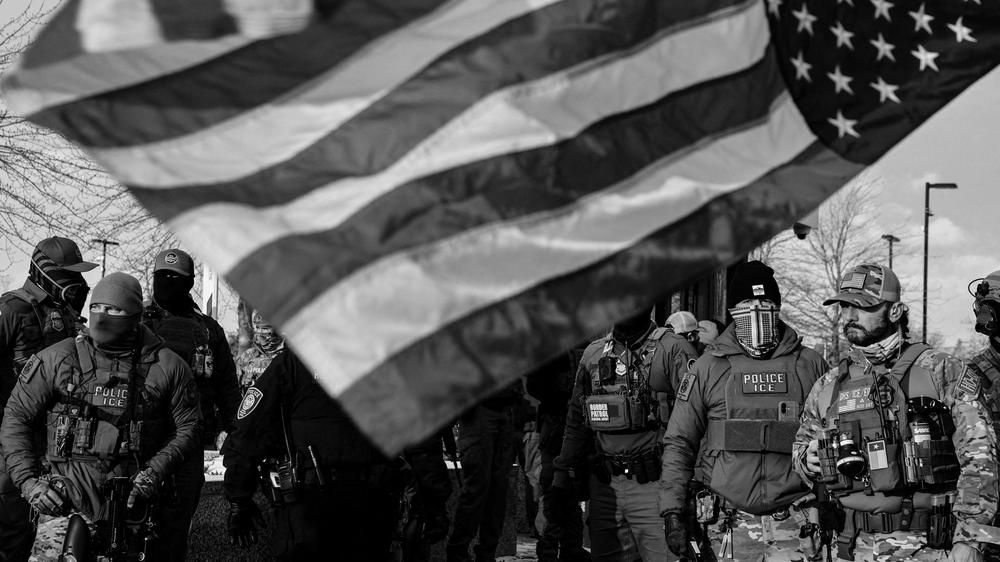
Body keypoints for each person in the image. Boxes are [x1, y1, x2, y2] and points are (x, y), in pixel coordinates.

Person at [794, 263, 999, 561]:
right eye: (844, 307)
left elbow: (981, 456)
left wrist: (970, 537)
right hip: (851, 546)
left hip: (928, 545)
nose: (850, 316)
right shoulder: (828, 385)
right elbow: (801, 447)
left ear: (895, 311)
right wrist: (806, 459)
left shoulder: (942, 370)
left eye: (862, 307)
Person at [0, 272, 203, 560]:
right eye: (96, 307)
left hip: (133, 511)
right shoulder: (58, 358)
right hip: (64, 507)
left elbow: (190, 427)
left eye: (113, 309)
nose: (101, 316)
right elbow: (16, 417)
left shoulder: (167, 366)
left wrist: (152, 474)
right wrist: (29, 482)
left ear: (135, 315)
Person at [660, 260, 828, 562]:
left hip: (796, 523)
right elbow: (679, 441)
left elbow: (832, 438)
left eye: (764, 302)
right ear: (733, 310)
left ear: (776, 307)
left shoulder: (810, 364)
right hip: (728, 525)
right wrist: (672, 511)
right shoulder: (708, 367)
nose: (756, 310)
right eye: (747, 303)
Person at [223, 349, 402, 560]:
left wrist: (239, 498)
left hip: (313, 506)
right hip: (368, 505)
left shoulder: (293, 363)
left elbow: (248, 433)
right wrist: (432, 495)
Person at [554, 308, 697, 561]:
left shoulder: (674, 349)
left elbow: (696, 422)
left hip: (657, 485)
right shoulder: (594, 354)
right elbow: (576, 420)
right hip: (606, 487)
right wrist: (562, 473)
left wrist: (687, 491)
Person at [0, 236, 96, 562]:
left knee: (30, 536)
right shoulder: (12, 309)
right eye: (71, 273)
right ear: (48, 270)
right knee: (8, 533)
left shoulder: (67, 317)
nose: (79, 283)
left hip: (50, 443)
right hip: (9, 441)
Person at [141, 248, 240, 561]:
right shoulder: (137, 323)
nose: (168, 283)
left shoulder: (209, 330)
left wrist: (232, 430)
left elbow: (227, 388)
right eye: (162, 277)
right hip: (141, 441)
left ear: (189, 283)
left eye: (176, 278)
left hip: (189, 442)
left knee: (175, 529)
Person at [446, 380, 528, 562]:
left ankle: (485, 553)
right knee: (477, 488)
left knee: (498, 491)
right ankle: (458, 552)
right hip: (479, 410)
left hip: (506, 408)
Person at [525, 353, 590, 562]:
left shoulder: (577, 351)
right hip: (554, 429)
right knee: (553, 491)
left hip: (572, 429)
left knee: (570, 493)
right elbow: (535, 386)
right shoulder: (552, 352)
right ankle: (548, 549)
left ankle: (571, 547)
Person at [235, 310, 284, 393]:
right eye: (258, 328)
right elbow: (233, 388)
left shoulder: (287, 357)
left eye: (265, 328)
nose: (260, 332)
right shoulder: (247, 356)